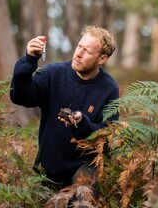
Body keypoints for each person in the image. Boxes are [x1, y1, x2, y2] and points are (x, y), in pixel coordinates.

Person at [10, 25, 119, 190]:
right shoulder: (53, 73)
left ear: (102, 59)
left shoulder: (109, 88)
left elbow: (108, 135)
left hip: (84, 167)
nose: (78, 54)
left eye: (87, 51)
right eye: (79, 46)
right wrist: (29, 60)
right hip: (49, 169)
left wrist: (83, 123)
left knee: (84, 194)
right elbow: (20, 96)